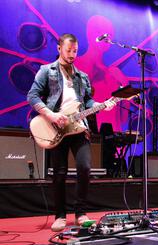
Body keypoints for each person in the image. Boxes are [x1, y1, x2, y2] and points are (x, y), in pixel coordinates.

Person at [27, 33, 116, 232]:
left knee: (84, 167)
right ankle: (59, 215)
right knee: (59, 173)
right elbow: (32, 96)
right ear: (59, 48)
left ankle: (80, 213)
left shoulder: (82, 76)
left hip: (78, 127)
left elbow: (87, 103)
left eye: (75, 51)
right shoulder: (46, 71)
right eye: (68, 50)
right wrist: (50, 115)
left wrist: (102, 105)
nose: (72, 54)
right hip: (56, 127)